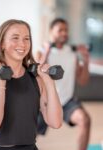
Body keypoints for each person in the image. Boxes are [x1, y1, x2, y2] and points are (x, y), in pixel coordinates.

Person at [0, 19, 63, 150]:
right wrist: (1, 83)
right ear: (2, 44)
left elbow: (55, 122)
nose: (22, 43)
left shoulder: (36, 80)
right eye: (15, 38)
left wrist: (49, 83)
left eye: (26, 38)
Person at [35, 18, 91, 150]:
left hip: (66, 101)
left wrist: (86, 61)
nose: (64, 33)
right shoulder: (40, 51)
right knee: (29, 133)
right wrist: (46, 52)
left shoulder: (72, 54)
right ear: (51, 32)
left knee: (84, 120)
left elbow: (82, 81)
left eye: (66, 30)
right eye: (60, 30)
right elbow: (37, 74)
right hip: (44, 102)